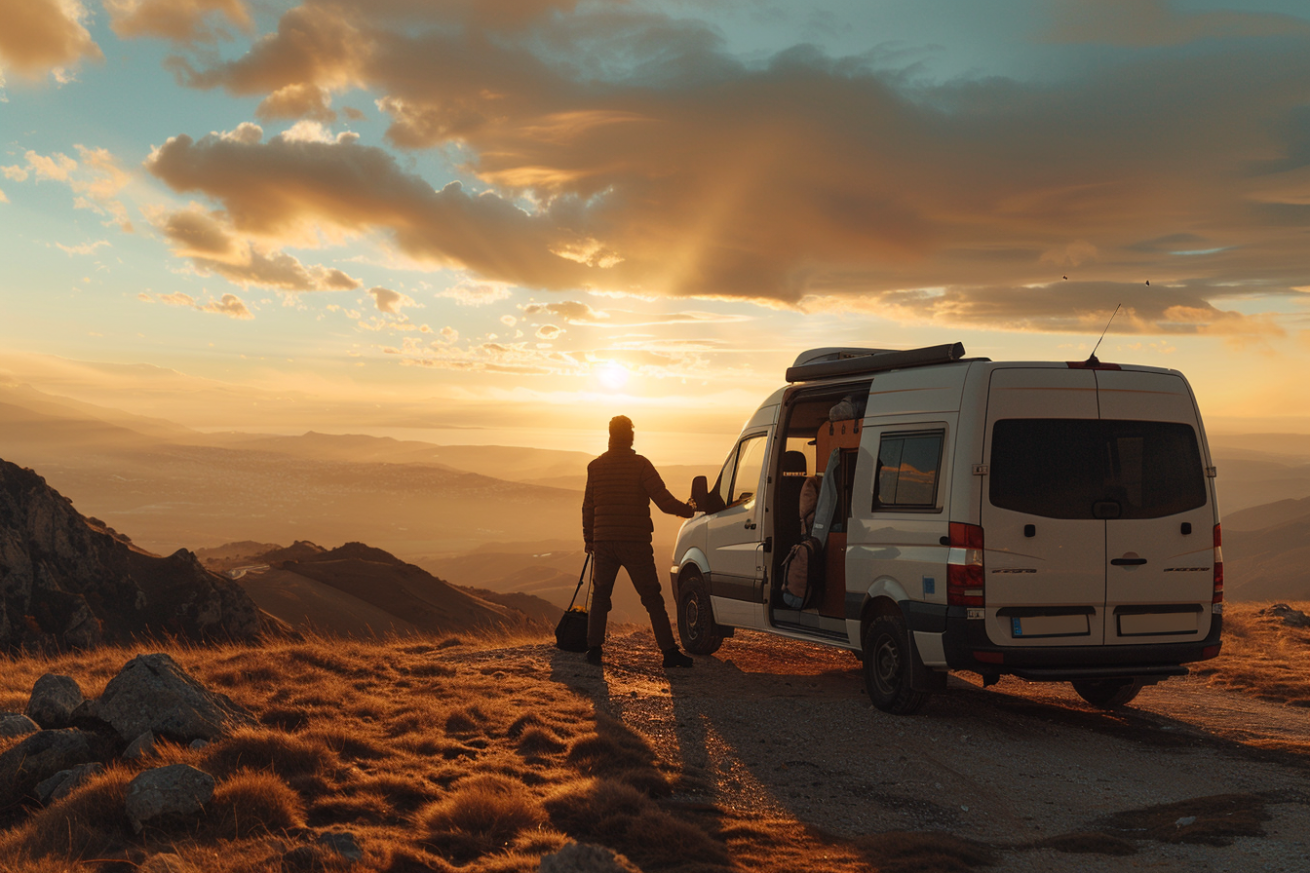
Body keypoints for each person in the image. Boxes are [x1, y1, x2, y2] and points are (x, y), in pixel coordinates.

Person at [582, 415, 696, 669]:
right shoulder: (641, 465)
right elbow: (664, 502)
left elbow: (588, 506)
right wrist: (690, 510)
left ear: (610, 436)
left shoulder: (595, 467)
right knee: (652, 598)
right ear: (631, 436)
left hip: (604, 542)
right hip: (635, 542)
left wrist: (589, 538)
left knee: (600, 595)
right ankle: (669, 652)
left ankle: (593, 649)